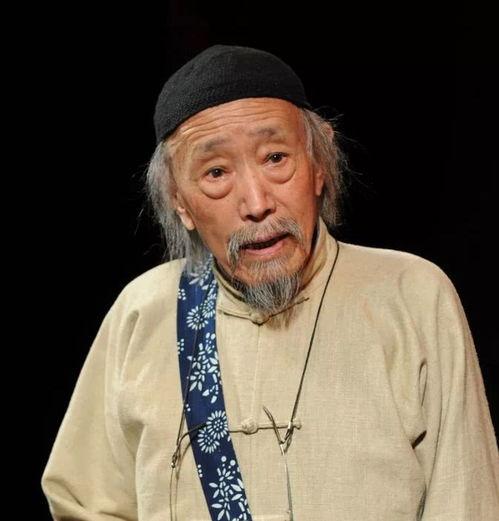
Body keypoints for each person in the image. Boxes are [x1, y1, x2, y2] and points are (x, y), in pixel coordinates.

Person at [41, 44, 499, 521]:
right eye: (216, 172)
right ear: (180, 201)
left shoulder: (411, 296)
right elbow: (86, 504)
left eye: (276, 158)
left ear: (319, 164)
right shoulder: (143, 309)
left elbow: (467, 501)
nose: (257, 203)